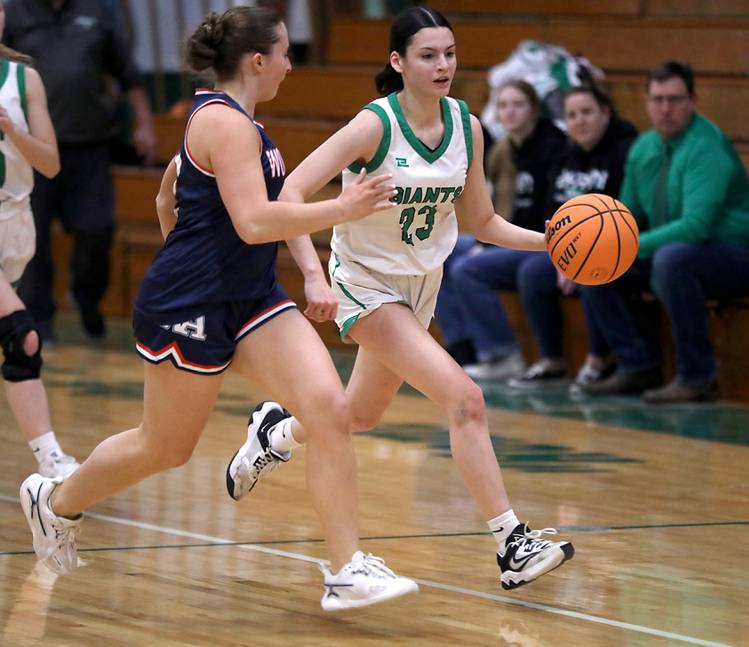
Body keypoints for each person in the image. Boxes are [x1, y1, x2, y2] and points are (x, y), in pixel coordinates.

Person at [19, 7, 418, 612]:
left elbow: (168, 200)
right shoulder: (225, 124)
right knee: (165, 447)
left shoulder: (234, 123)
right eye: (283, 53)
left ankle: (346, 570)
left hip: (253, 297)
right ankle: (55, 503)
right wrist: (343, 209)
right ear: (257, 61)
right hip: (193, 303)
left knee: (329, 409)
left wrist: (311, 272)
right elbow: (255, 220)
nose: (289, 63)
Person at [226, 5, 575, 592]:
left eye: (450, 54)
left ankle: (275, 434)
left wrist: (553, 244)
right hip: (364, 282)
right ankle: (511, 543)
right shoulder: (374, 126)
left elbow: (483, 222)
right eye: (428, 55)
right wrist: (312, 272)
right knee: (464, 398)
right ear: (398, 61)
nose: (443, 66)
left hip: (420, 285)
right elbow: (290, 190)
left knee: (358, 414)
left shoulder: (467, 125)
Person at [579, 62, 749, 403]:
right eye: (658, 99)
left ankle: (698, 377)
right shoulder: (642, 148)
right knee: (595, 267)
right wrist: (597, 247)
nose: (666, 108)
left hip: (746, 255)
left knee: (672, 260)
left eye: (674, 99)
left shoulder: (707, 146)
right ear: (647, 102)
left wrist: (626, 246)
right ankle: (637, 365)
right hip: (680, 251)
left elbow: (696, 226)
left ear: (693, 100)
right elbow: (623, 216)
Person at [5, 0, 158, 341]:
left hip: (90, 146)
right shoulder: (16, 13)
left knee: (97, 229)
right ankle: (39, 324)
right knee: (36, 242)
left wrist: (144, 123)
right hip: (30, 150)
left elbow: (127, 71)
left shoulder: (97, 10)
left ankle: (87, 298)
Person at [502, 85, 638, 390]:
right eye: (572, 115)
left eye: (587, 112)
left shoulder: (623, 152)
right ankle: (552, 361)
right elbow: (552, 210)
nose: (580, 121)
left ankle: (598, 359)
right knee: (532, 272)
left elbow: (621, 216)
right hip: (570, 245)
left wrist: (576, 258)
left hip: (610, 245)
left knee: (593, 273)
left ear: (606, 113)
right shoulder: (564, 155)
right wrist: (564, 255)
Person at [435, 79, 565, 369]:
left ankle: (502, 353)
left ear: (534, 110)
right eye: (504, 105)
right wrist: (484, 242)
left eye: (518, 104)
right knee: (441, 248)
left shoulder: (553, 147)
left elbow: (540, 215)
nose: (510, 112)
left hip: (533, 242)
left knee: (467, 268)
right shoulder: (503, 149)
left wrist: (487, 245)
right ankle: (461, 345)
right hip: (503, 238)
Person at [0, 0, 79, 479]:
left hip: (14, 224)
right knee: (23, 336)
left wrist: (11, 130)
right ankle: (51, 459)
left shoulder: (23, 78)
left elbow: (49, 163)